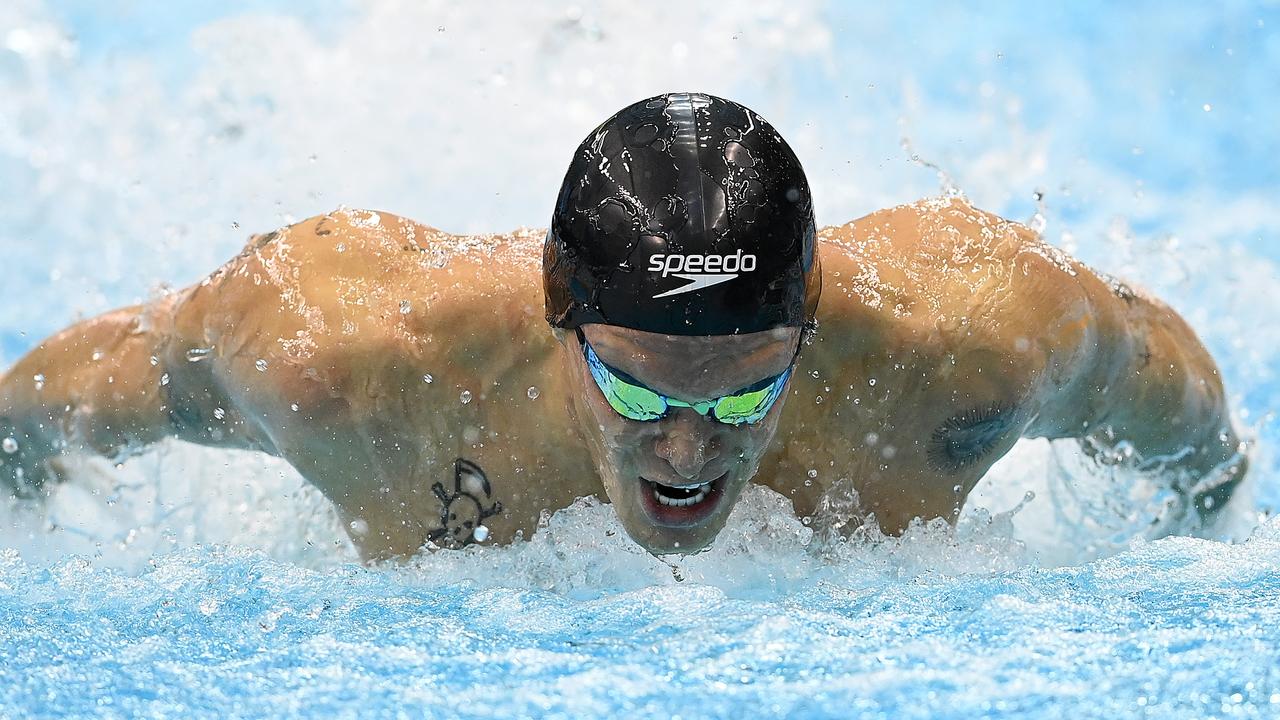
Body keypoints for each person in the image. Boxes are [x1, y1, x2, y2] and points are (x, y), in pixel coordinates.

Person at [0, 93, 1248, 560]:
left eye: (744, 395)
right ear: (560, 313)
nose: (688, 452)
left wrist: (1211, 511)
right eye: (641, 396)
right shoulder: (346, 365)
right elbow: (68, 394)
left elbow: (1169, 388)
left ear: (807, 321)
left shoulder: (965, 350)